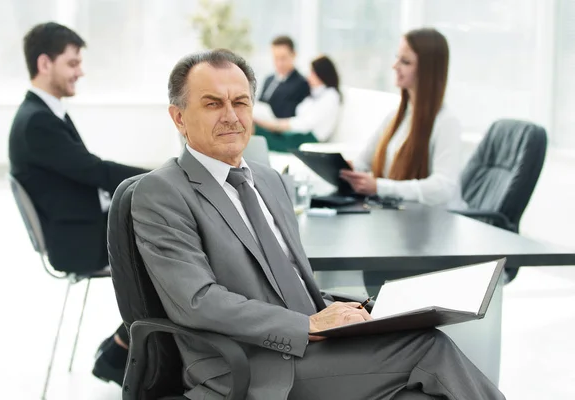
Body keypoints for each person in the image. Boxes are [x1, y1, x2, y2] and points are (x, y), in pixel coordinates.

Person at [131, 49, 505, 400]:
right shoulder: (161, 191)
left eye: (241, 102)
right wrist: (307, 326)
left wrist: (356, 314)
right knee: (430, 346)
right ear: (179, 117)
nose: (231, 115)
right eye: (213, 103)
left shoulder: (269, 180)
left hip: (313, 346)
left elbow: (290, 284)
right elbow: (197, 301)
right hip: (247, 364)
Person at [8, 22, 148, 385]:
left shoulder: (44, 114)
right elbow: (93, 170)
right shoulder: (37, 121)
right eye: (72, 63)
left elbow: (85, 172)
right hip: (77, 242)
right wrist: (161, 176)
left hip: (80, 227)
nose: (80, 71)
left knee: (167, 236)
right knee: (173, 243)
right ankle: (122, 349)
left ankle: (123, 345)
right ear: (44, 63)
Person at [340, 28, 462, 207]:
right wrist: (348, 171)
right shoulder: (396, 117)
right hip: (399, 217)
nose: (395, 66)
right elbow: (364, 162)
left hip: (432, 223)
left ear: (428, 70)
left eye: (405, 61)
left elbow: (443, 188)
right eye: (397, 58)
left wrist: (379, 187)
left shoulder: (446, 122)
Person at [254, 55, 342, 152]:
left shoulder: (330, 96)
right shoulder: (315, 94)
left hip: (307, 140)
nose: (309, 77)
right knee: (257, 128)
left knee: (256, 131)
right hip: (295, 134)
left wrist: (274, 125)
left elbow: (305, 124)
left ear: (322, 73)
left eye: (313, 73)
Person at [258, 35, 311, 118]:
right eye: (276, 58)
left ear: (294, 55)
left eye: (283, 58)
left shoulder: (302, 83)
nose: (279, 63)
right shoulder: (269, 80)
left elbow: (291, 115)